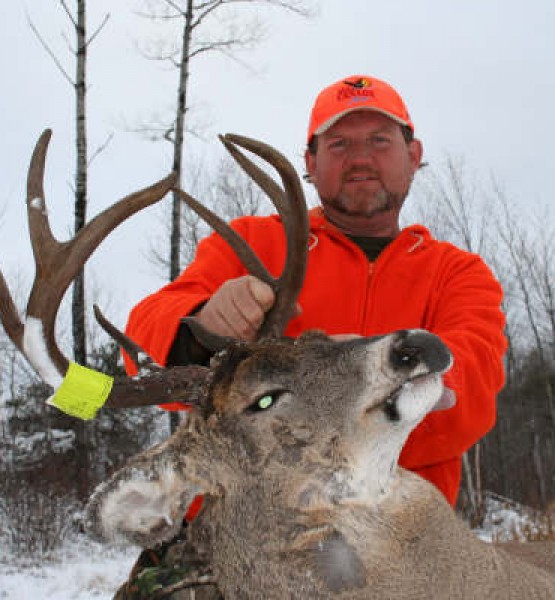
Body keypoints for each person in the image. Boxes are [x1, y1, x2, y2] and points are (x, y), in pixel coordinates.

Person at [124, 75, 507, 517]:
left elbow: (471, 388)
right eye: (339, 144)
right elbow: (142, 347)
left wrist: (348, 384)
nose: (361, 158)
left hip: (399, 545)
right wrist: (203, 326)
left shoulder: (456, 273)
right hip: (243, 535)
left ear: (414, 156)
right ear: (310, 161)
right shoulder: (253, 243)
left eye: (380, 140)